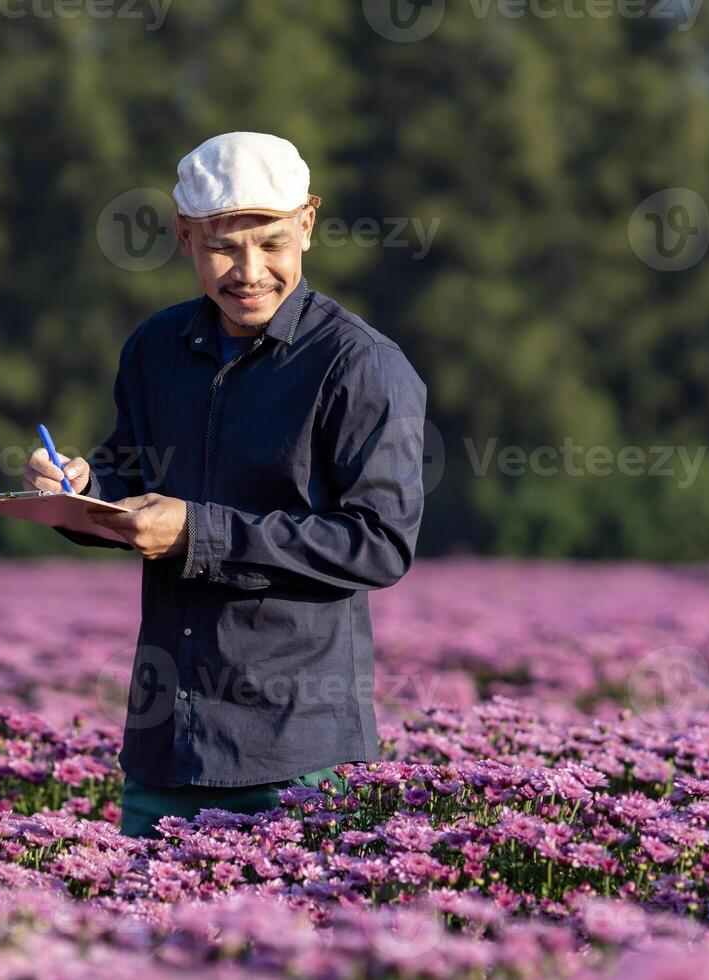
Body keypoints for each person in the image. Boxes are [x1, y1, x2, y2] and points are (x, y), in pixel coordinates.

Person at [23, 131, 428, 838]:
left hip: (296, 759)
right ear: (184, 237)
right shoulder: (155, 348)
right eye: (221, 246)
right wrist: (80, 486)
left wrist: (194, 531)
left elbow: (380, 544)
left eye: (271, 243)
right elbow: (133, 474)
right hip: (163, 749)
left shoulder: (360, 366)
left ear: (307, 223)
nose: (248, 271)